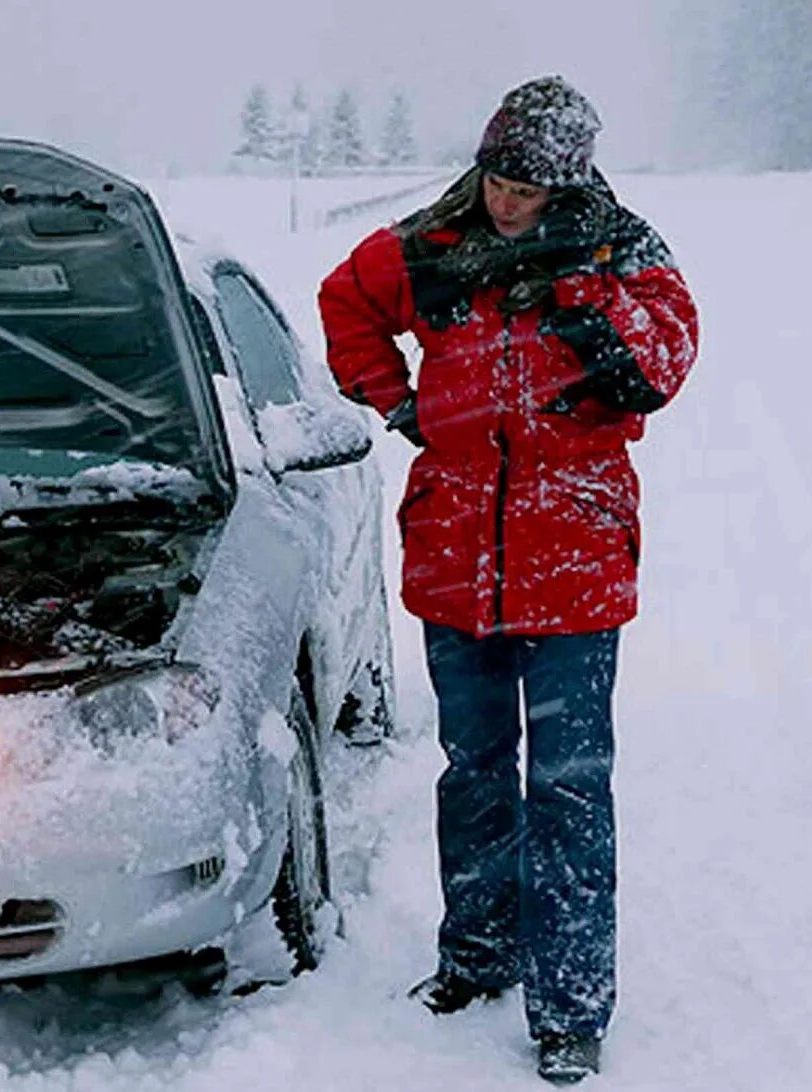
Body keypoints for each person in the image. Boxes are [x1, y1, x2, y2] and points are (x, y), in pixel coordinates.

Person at [316, 76, 699, 1085]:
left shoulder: (623, 249)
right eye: (497, 178)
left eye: (528, 187)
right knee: (471, 772)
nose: (506, 201)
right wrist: (392, 403)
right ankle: (476, 956)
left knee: (569, 787)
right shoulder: (426, 246)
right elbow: (344, 300)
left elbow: (663, 363)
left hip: (574, 557)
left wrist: (578, 299)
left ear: (566, 183)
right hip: (453, 559)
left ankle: (570, 1006)